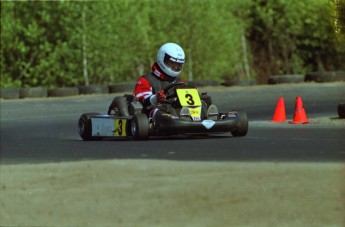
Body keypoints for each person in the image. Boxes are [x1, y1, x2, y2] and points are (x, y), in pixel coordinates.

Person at [134, 42, 186, 117]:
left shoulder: (181, 82)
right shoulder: (145, 81)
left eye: (178, 64)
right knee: (165, 109)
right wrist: (155, 98)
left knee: (203, 105)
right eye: (172, 63)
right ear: (162, 59)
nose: (175, 67)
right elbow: (142, 103)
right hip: (153, 119)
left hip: (179, 114)